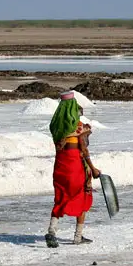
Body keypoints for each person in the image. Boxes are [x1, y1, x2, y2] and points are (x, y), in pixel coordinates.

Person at [46, 93, 100, 247]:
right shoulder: (78, 126)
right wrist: (93, 168)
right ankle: (78, 236)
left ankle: (51, 230)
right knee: (82, 196)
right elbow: (83, 148)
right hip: (75, 165)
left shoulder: (56, 126)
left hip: (60, 165)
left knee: (61, 196)